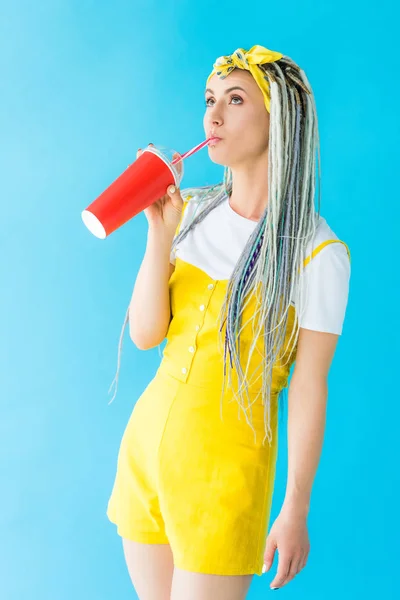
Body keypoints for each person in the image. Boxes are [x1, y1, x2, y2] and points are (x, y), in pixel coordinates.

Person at [106, 44, 351, 599]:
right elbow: (146, 335)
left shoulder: (318, 253)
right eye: (210, 99)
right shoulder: (189, 212)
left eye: (234, 101)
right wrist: (158, 233)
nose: (211, 117)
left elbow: (310, 386)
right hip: (146, 454)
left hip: (226, 477)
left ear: (278, 119)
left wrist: (295, 509)